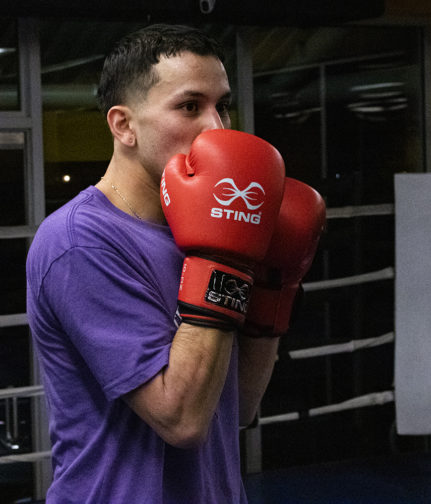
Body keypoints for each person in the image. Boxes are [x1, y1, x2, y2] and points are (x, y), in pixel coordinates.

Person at [26, 23, 325, 503]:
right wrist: (224, 258)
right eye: (189, 106)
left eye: (221, 105)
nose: (216, 127)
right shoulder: (79, 242)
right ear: (123, 125)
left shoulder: (201, 225)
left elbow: (238, 408)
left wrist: (273, 288)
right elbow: (180, 420)